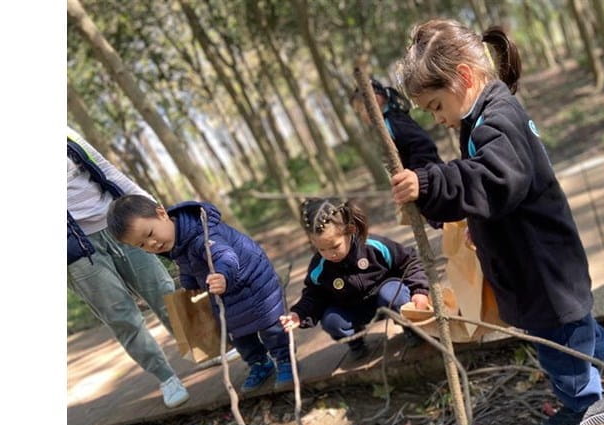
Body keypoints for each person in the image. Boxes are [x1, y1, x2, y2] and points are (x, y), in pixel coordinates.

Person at [390, 19, 604, 425]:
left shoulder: (498, 117)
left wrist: (429, 182)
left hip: (541, 262)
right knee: (573, 324)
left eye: (437, 105)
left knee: (556, 335)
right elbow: (490, 189)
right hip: (534, 254)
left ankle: (586, 403)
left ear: (463, 77)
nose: (438, 119)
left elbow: (495, 179)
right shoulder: (481, 118)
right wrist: (461, 214)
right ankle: (596, 361)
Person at [106, 195, 293, 393]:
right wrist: (189, 288)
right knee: (237, 334)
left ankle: (285, 360)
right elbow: (189, 268)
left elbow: (225, 256)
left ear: (161, 214)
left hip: (253, 286)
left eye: (150, 233)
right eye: (141, 245)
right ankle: (259, 363)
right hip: (224, 294)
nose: (151, 244)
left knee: (270, 327)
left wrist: (222, 275)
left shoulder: (202, 233)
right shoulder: (177, 245)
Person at [67, 127, 189, 408]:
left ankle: (203, 347)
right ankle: (166, 377)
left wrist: (151, 206)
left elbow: (105, 170)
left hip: (120, 227)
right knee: (120, 315)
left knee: (164, 289)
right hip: (73, 250)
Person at [279, 198, 431, 360]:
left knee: (394, 293)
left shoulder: (374, 246)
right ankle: (356, 341)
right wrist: (299, 314)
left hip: (386, 297)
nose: (330, 254)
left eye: (335, 246)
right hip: (352, 308)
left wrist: (419, 290)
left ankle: (410, 329)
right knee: (331, 320)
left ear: (350, 230)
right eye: (321, 249)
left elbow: (409, 261)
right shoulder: (319, 267)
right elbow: (314, 296)